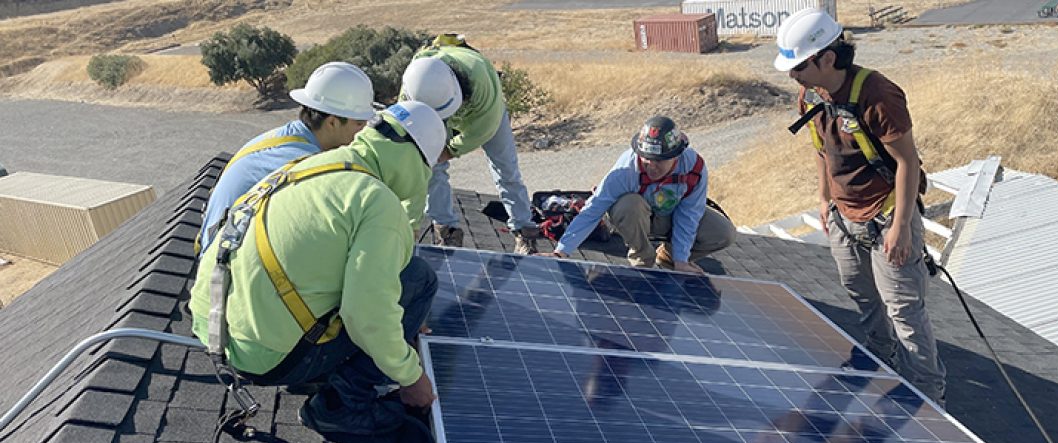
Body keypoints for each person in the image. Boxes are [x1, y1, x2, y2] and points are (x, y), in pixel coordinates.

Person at [189, 100, 448, 435]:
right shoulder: (378, 203)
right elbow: (366, 314)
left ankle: (323, 368)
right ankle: (339, 407)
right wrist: (411, 377)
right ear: (416, 162)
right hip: (262, 359)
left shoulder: (312, 164)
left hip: (212, 328)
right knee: (417, 279)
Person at [774, 8, 946, 404]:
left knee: (904, 312)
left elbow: (907, 162)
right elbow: (821, 148)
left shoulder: (877, 95)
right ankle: (877, 357)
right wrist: (823, 198)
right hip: (843, 216)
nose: (792, 75)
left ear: (827, 58)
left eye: (798, 65)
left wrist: (902, 225)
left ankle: (927, 397)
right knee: (863, 297)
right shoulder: (812, 94)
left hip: (887, 216)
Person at [197, 61, 377, 254]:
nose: (363, 130)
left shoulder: (281, 138)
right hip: (224, 271)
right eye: (359, 123)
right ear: (332, 122)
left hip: (219, 254)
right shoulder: (303, 167)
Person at [400, 35, 542, 254]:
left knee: (506, 170)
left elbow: (483, 129)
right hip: (434, 113)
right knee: (430, 168)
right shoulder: (414, 82)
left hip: (485, 112)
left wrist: (449, 150)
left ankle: (524, 232)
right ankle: (447, 231)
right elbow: (412, 144)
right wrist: (410, 225)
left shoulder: (479, 79)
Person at [537, 116, 735, 274]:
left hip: (671, 217)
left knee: (723, 232)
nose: (651, 165)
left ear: (676, 156)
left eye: (659, 161)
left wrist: (681, 260)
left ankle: (668, 257)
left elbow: (690, 215)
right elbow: (593, 210)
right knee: (629, 204)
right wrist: (561, 251)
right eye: (647, 159)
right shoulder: (625, 171)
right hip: (635, 217)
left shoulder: (693, 169)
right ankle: (643, 258)